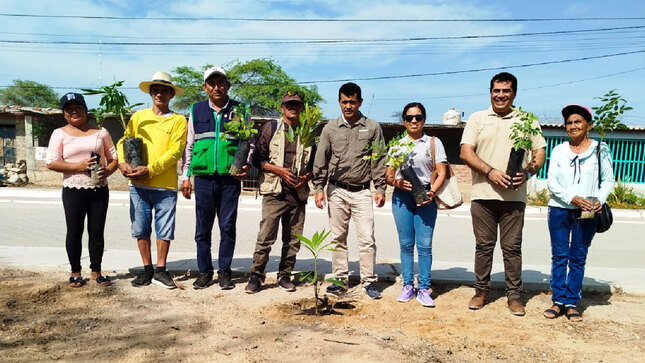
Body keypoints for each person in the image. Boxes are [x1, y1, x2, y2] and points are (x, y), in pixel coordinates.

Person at [460, 72, 546, 315]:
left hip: (513, 198)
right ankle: (480, 291)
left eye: (506, 91)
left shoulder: (527, 120)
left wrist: (527, 173)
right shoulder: (478, 118)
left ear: (514, 94)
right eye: (496, 90)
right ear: (490, 92)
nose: (500, 95)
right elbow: (466, 152)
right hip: (482, 195)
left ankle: (514, 296)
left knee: (512, 248)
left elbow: (540, 152)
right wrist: (489, 172)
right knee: (484, 246)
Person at [312, 82, 387, 299]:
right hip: (336, 190)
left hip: (363, 191)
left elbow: (378, 159)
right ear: (339, 102)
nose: (348, 106)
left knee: (366, 238)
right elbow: (321, 160)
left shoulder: (373, 127)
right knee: (338, 238)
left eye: (352, 102)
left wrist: (380, 188)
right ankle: (339, 279)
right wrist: (318, 188)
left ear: (360, 102)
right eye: (344, 102)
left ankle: (369, 281)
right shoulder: (330, 128)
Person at [180, 66, 251, 290]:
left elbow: (249, 143)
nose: (217, 87)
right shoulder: (196, 110)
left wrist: (246, 164)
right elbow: (189, 146)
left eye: (221, 82)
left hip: (229, 179)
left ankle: (225, 272)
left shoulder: (241, 110)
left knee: (227, 226)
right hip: (203, 179)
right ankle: (204, 272)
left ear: (228, 86)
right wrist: (185, 177)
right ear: (205, 87)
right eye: (212, 83)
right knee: (203, 228)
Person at [543, 104, 614, 322]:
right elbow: (552, 182)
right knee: (559, 255)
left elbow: (608, 179)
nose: (573, 126)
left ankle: (572, 301)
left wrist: (599, 200)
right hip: (560, 209)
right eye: (569, 123)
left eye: (578, 122)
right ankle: (558, 300)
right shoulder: (558, 150)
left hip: (588, 213)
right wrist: (572, 198)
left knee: (578, 256)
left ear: (588, 126)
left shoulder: (600, 149)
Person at [117, 71, 187, 289]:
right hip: (138, 185)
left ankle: (161, 270)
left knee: (164, 229)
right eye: (155, 90)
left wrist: (150, 170)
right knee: (141, 228)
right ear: (150, 93)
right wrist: (122, 163)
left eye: (164, 90)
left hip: (164, 185)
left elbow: (175, 151)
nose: (159, 94)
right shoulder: (138, 117)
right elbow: (124, 141)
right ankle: (147, 269)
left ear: (171, 94)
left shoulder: (178, 121)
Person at [245, 91, 315, 293]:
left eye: (296, 104)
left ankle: (285, 275)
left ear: (301, 108)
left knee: (293, 240)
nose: (292, 107)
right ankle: (256, 276)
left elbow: (315, 165)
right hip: (274, 192)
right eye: (288, 104)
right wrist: (279, 171)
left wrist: (305, 177)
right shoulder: (271, 128)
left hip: (298, 194)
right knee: (265, 237)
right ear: (282, 107)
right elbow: (258, 159)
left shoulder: (308, 132)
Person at [46, 92, 118, 287]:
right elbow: (51, 163)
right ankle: (75, 272)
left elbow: (114, 159)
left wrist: (107, 171)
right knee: (74, 231)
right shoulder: (59, 134)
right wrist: (78, 166)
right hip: (73, 189)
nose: (74, 112)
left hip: (98, 189)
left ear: (86, 110)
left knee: (97, 231)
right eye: (69, 109)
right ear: (64, 114)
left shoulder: (101, 133)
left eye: (78, 108)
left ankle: (96, 272)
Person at [385, 102, 447, 307]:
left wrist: (432, 191)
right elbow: (389, 176)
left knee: (425, 246)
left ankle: (424, 288)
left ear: (424, 120)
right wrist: (397, 182)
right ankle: (407, 285)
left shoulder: (433, 143)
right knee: (406, 244)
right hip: (402, 197)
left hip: (425, 196)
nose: (414, 121)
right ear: (404, 120)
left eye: (418, 117)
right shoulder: (397, 145)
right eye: (410, 117)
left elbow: (442, 171)